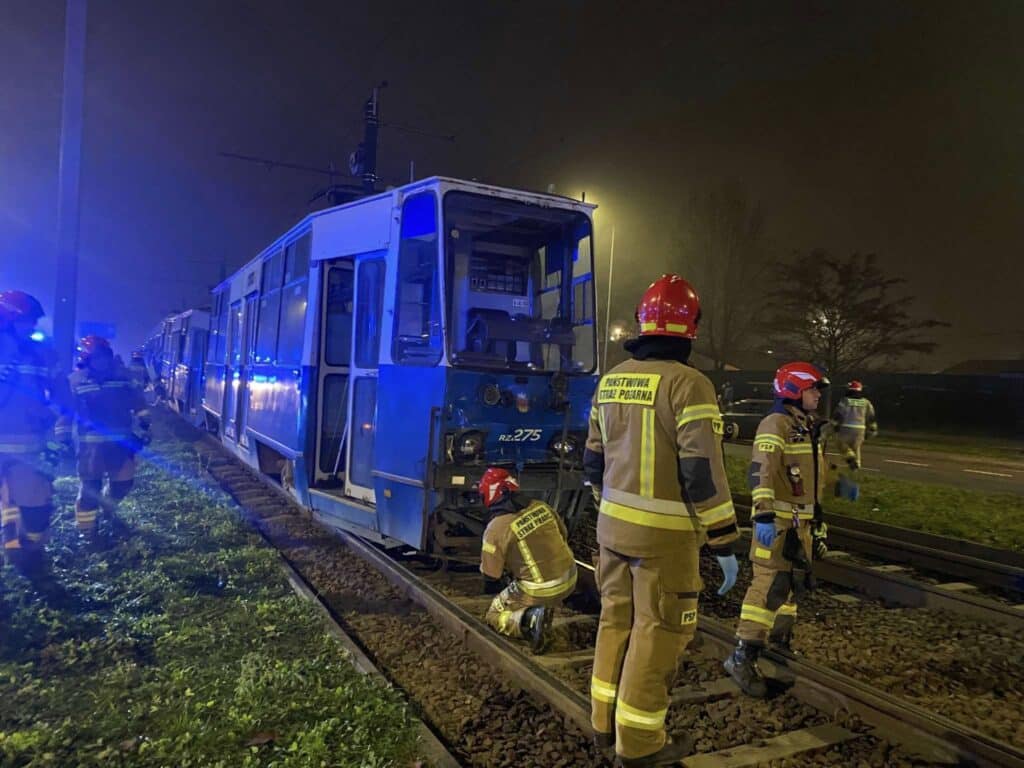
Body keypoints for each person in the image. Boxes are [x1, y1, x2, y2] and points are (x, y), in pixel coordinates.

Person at [584, 274, 740, 767]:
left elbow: (592, 461)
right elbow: (701, 473)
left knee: (615, 621)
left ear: (642, 322)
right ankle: (641, 745)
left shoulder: (611, 380)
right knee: (659, 632)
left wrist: (610, 507)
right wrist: (724, 538)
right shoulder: (691, 384)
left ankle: (602, 723)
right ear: (690, 327)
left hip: (611, 531)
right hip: (666, 541)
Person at [724, 362, 830, 698]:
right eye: (813, 389)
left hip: (800, 525)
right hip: (780, 525)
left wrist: (819, 519)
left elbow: (812, 479)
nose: (817, 396)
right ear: (794, 390)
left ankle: (778, 643)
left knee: (789, 588)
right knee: (768, 586)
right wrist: (764, 515)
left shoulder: (806, 426)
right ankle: (742, 656)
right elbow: (761, 472)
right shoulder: (776, 424)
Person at [0, 291, 71, 573]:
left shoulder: (43, 354)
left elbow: (63, 397)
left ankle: (27, 550)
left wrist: (51, 426)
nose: (32, 327)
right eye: (27, 321)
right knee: (13, 503)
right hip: (24, 446)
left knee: (37, 512)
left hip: (28, 448)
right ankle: (17, 553)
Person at [59, 335, 151, 540]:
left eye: (104, 357)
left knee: (123, 484)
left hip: (121, 444)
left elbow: (137, 401)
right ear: (87, 359)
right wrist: (63, 439)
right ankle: (88, 533)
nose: (101, 361)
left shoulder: (122, 378)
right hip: (90, 447)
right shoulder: (76, 381)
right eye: (96, 357)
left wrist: (145, 423)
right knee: (90, 490)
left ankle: (108, 506)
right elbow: (66, 412)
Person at [478, 467, 577, 653]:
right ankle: (551, 602)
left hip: (540, 591)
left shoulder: (496, 528)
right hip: (570, 578)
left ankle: (530, 619)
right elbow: (564, 534)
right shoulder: (541, 506)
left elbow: (491, 577)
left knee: (494, 614)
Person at [831, 380, 877, 471]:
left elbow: (838, 415)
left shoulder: (845, 401)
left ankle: (851, 458)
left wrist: (834, 426)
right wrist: (872, 430)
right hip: (860, 429)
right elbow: (871, 417)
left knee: (841, 444)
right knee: (856, 447)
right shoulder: (866, 402)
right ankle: (857, 465)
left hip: (846, 428)